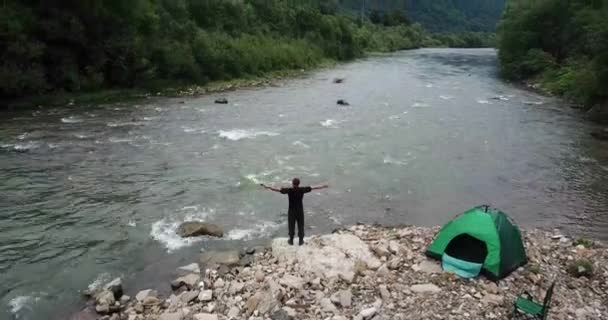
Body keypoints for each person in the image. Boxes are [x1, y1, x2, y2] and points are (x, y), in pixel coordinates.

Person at [261, 178, 329, 245]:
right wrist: (323, 186)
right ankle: (300, 241)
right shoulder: (302, 189)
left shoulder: (289, 190)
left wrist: (267, 186)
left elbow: (276, 189)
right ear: (299, 184)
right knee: (301, 226)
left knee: (291, 226)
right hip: (300, 211)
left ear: (292, 184)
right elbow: (314, 187)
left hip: (291, 211)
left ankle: (291, 241)